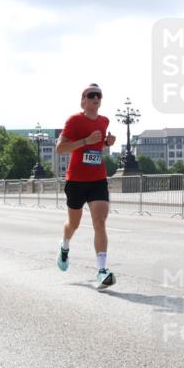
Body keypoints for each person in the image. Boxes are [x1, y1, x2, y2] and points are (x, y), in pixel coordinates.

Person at [55, 83, 117, 289]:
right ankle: (64, 247)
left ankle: (101, 270)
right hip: (76, 180)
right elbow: (61, 148)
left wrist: (107, 143)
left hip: (98, 178)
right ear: (83, 100)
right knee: (73, 224)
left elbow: (97, 147)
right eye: (91, 95)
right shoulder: (74, 121)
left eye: (99, 95)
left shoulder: (104, 121)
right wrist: (85, 141)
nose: (96, 98)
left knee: (99, 221)